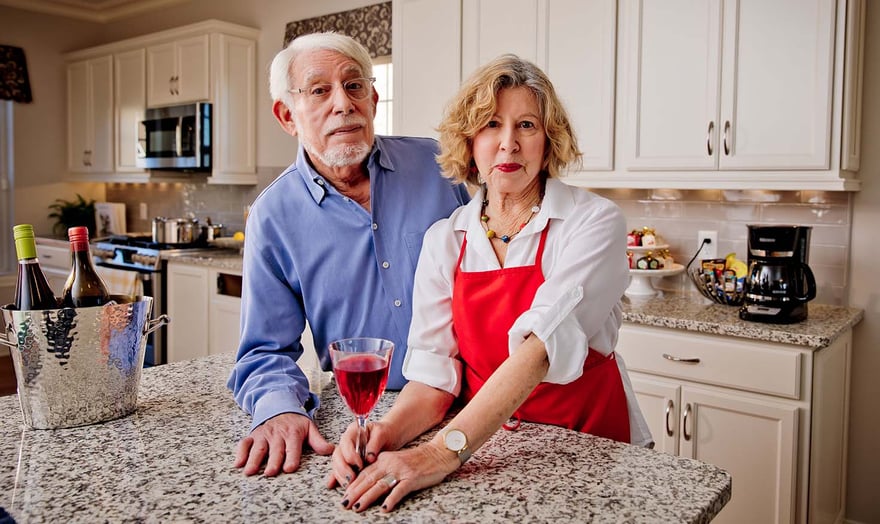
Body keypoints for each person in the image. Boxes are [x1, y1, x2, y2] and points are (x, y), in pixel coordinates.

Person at [326, 54, 652, 513]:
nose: (508, 145)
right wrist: (386, 433)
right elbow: (434, 378)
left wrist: (440, 452)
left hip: (588, 445)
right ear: (470, 141)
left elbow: (540, 349)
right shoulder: (446, 240)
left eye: (526, 126)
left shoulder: (591, 222)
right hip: (491, 449)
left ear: (548, 139)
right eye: (491, 125)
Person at [227, 32, 470, 477]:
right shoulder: (273, 216)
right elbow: (264, 352)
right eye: (320, 90)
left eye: (355, 85)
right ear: (287, 115)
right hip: (368, 424)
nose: (344, 103)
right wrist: (281, 410)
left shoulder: (439, 166)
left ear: (374, 99)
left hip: (474, 407)